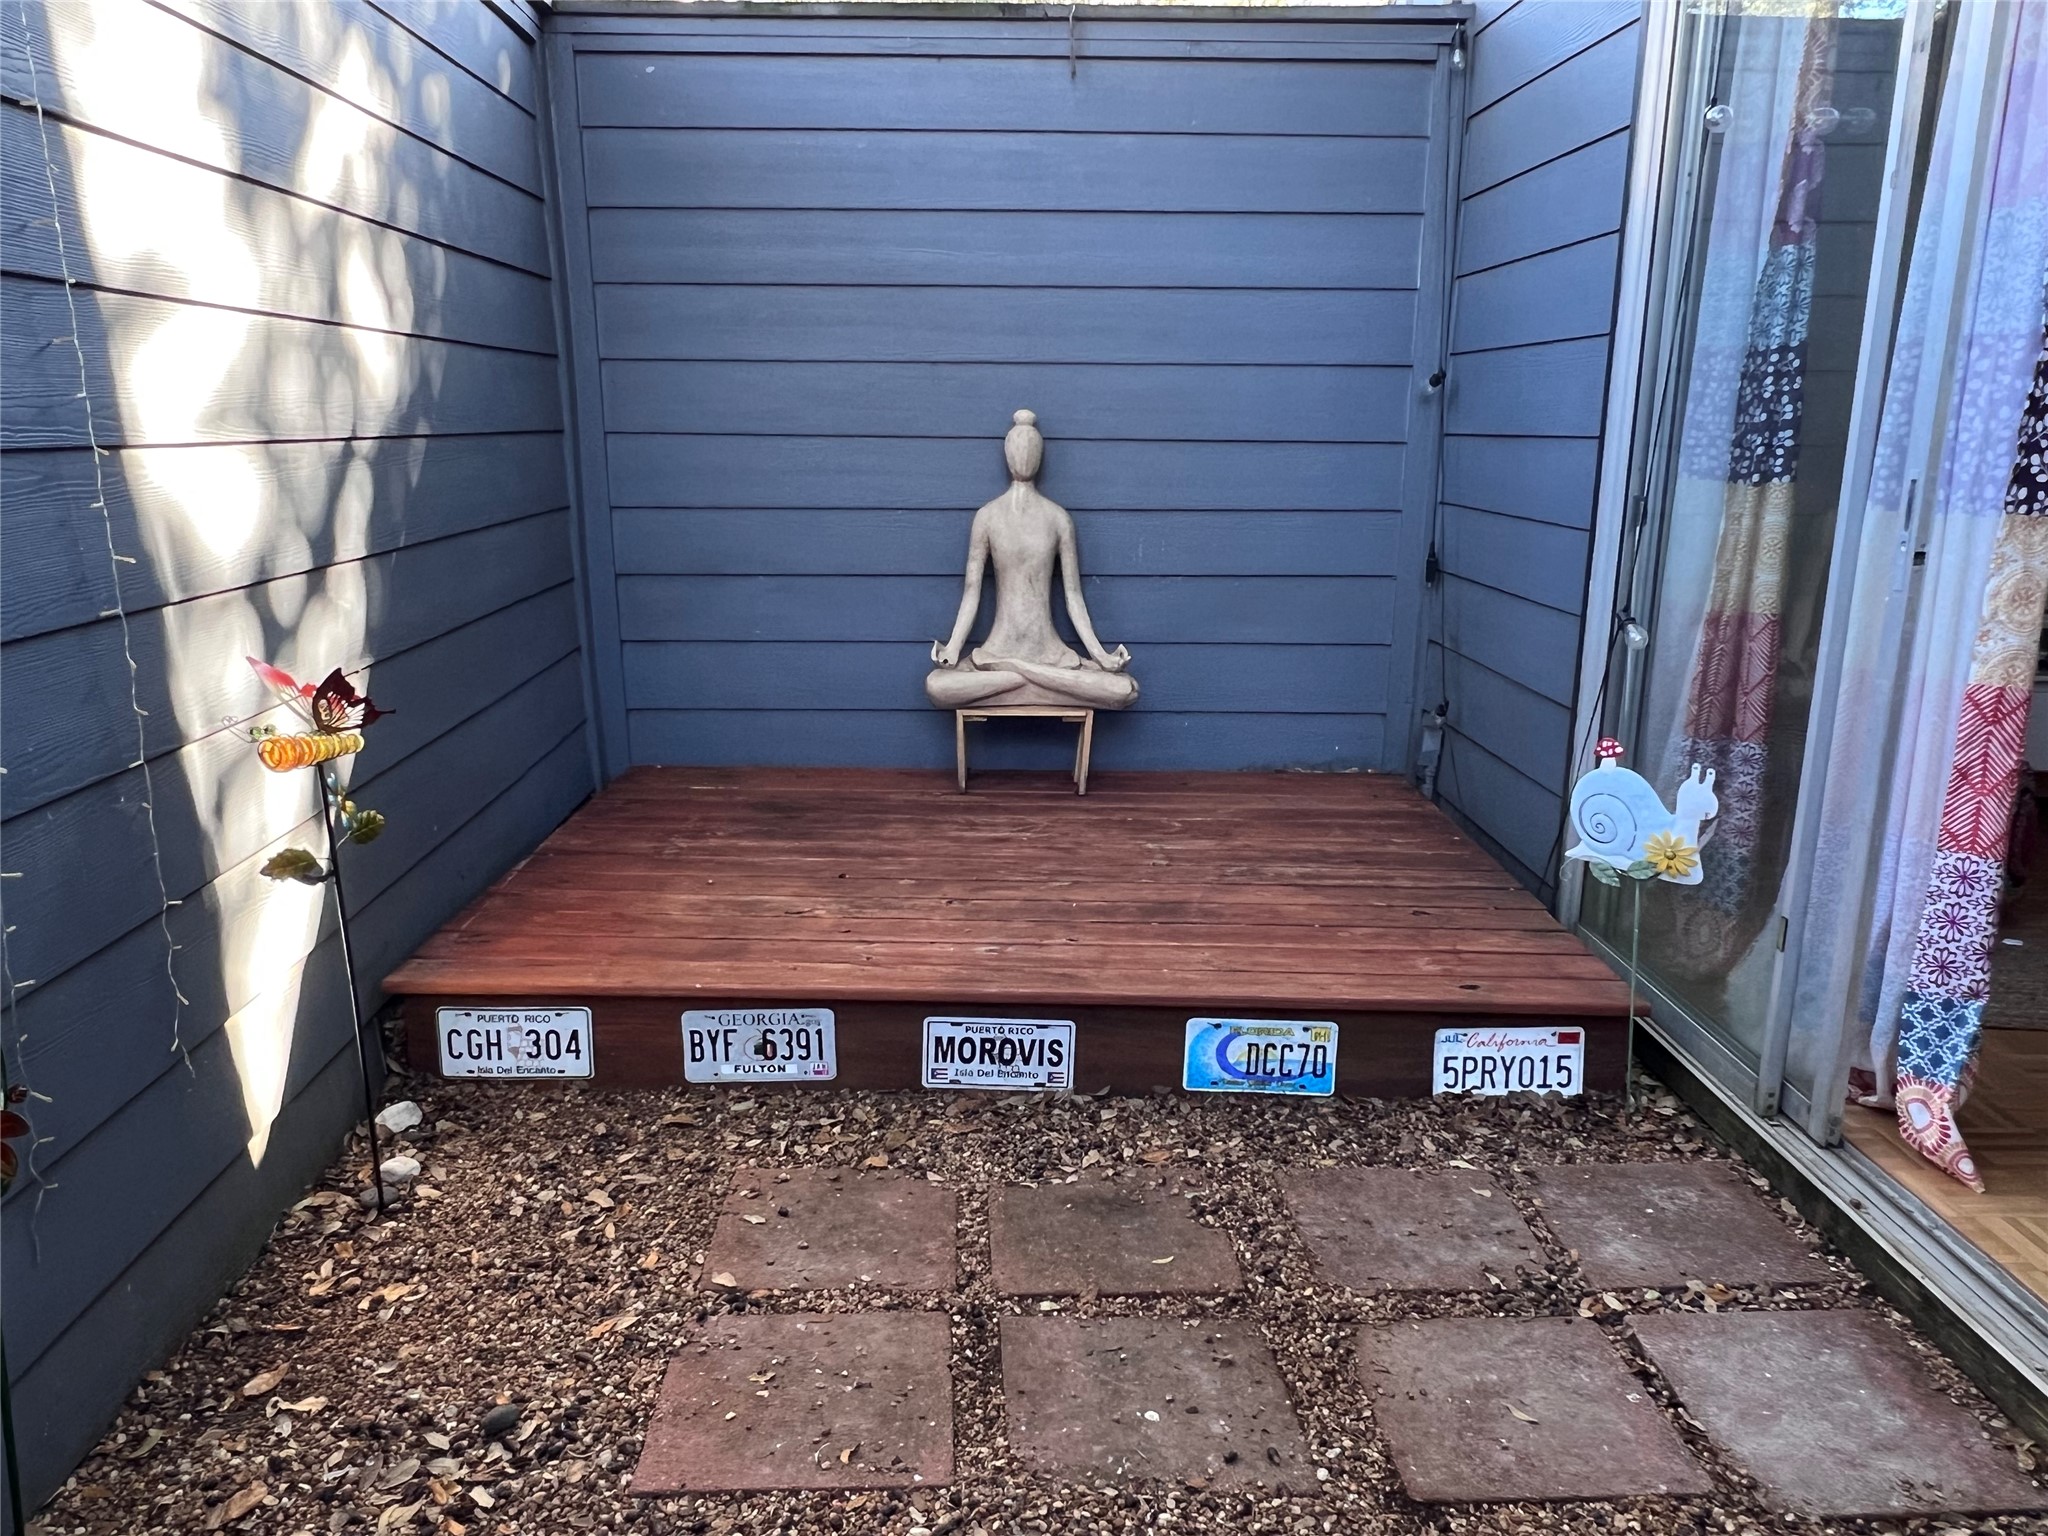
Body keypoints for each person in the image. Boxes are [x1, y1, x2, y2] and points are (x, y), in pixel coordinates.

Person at [925, 410, 1139, 711]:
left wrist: (1100, 655)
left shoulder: (1058, 518)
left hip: (1050, 654)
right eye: (1017, 448)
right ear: (1006, 453)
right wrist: (953, 648)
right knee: (937, 686)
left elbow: (1073, 596)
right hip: (995, 653)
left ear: (1040, 455)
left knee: (1124, 690)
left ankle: (1019, 676)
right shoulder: (987, 517)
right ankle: (1038, 683)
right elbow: (971, 593)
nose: (1023, 456)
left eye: (1031, 449)